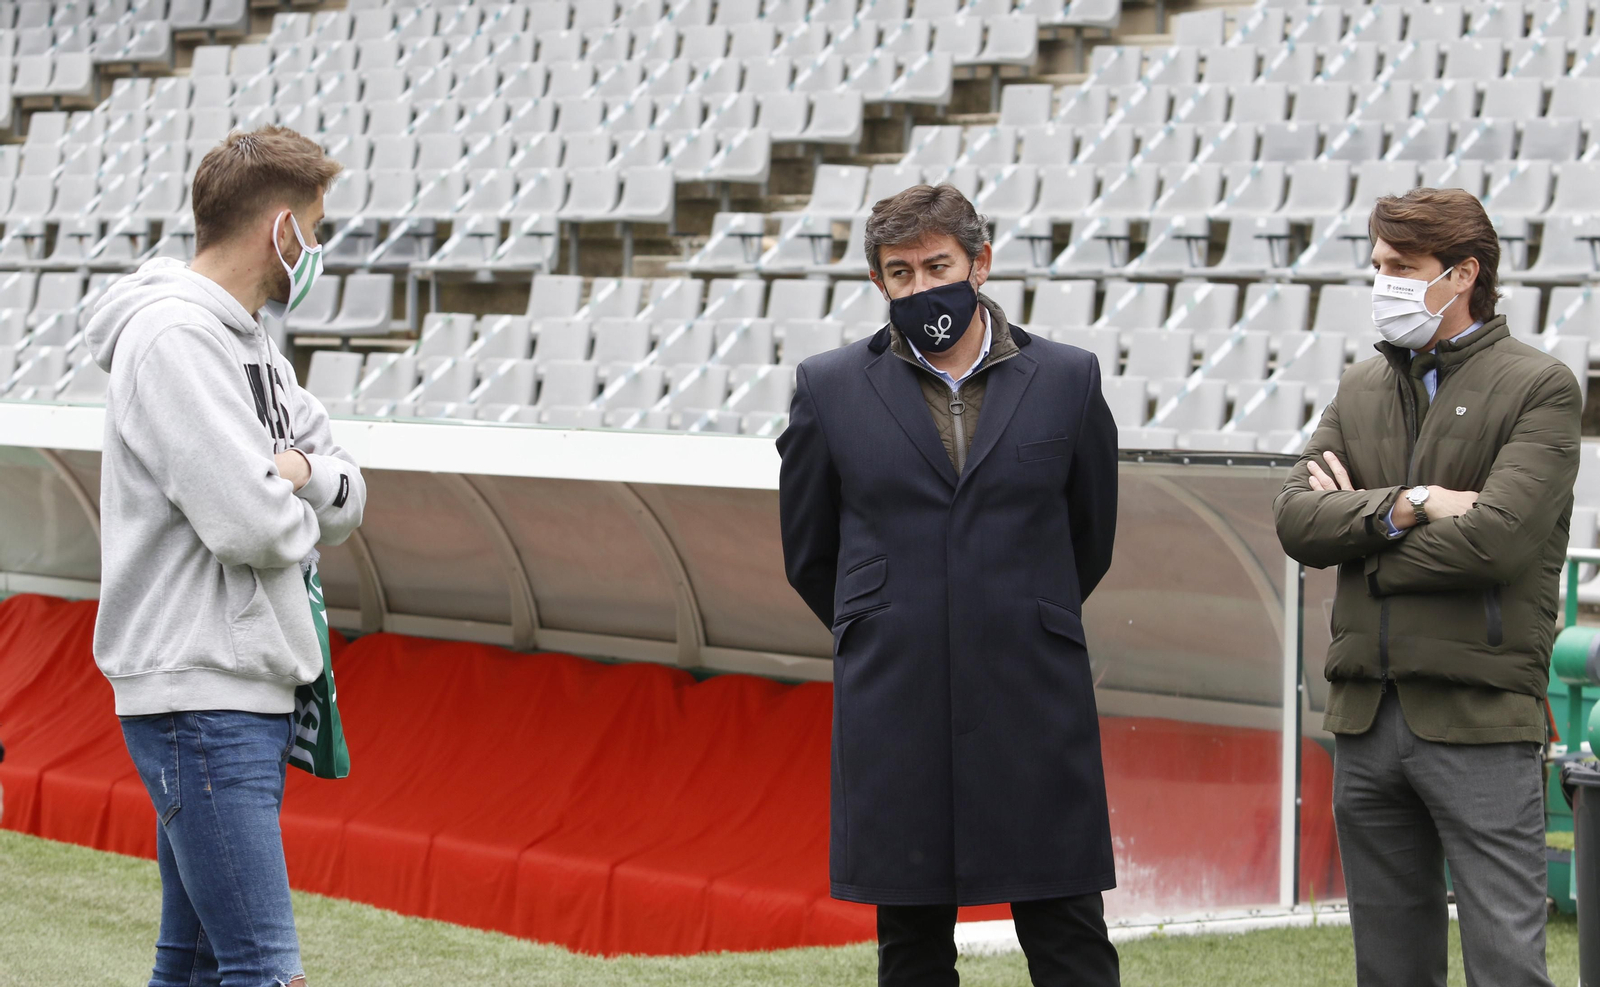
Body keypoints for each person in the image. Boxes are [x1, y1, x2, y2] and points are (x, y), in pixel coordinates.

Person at [776, 183, 1121, 987]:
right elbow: (811, 554)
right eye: (901, 273)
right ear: (878, 281)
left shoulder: (1068, 378)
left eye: (938, 266)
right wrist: (894, 624)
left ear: (980, 263)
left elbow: (1089, 537)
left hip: (1034, 697)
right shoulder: (828, 387)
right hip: (897, 702)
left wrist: (1014, 613)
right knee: (912, 946)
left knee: (1069, 934)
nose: (922, 287)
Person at [1274, 187, 1580, 987]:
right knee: (1389, 970)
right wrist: (1408, 505)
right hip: (1365, 719)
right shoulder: (1361, 387)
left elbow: (1494, 541)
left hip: (1481, 718)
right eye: (1378, 265)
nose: (1383, 282)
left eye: (1402, 267)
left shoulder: (1541, 387)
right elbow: (1296, 521)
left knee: (1507, 966)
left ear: (1463, 274)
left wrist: (1361, 542)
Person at [86, 126, 366, 987]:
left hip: (240, 688)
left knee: (197, 961)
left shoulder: (255, 347)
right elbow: (250, 525)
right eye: (313, 229)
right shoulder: (173, 339)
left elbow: (350, 489)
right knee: (266, 968)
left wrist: (299, 475)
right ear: (279, 228)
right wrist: (291, 499)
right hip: (199, 693)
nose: (314, 249)